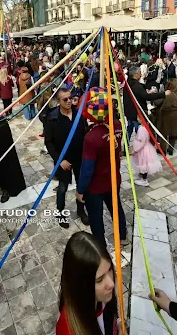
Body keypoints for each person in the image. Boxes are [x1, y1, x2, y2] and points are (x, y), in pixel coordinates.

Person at [77, 90, 129, 246]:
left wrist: (80, 190)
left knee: (95, 215)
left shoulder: (91, 137)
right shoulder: (118, 125)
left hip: (96, 186)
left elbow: (87, 169)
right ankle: (122, 233)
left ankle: (100, 244)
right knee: (116, 207)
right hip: (114, 179)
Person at [56, 231, 119, 335]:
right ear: (81, 286)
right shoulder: (68, 330)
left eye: (110, 270)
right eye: (100, 280)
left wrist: (119, 324)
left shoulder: (103, 298)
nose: (111, 283)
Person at [43, 87, 89, 227]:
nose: (69, 101)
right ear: (58, 101)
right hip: (63, 161)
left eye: (71, 98)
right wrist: (60, 160)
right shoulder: (52, 119)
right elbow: (49, 143)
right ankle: (61, 213)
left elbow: (85, 133)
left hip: (79, 158)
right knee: (62, 187)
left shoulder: (78, 114)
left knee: (82, 186)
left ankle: (81, 211)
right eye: (65, 99)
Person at [125, 66, 165, 142]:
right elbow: (147, 97)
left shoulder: (127, 84)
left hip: (129, 111)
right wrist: (162, 94)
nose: (141, 74)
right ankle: (139, 147)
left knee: (129, 128)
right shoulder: (136, 86)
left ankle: (126, 145)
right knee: (139, 131)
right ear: (136, 74)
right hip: (136, 112)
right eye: (140, 73)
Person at [154, 78, 177, 155]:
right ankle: (171, 149)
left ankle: (163, 150)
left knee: (163, 133)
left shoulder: (165, 94)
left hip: (165, 115)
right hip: (176, 115)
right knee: (173, 133)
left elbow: (157, 103)